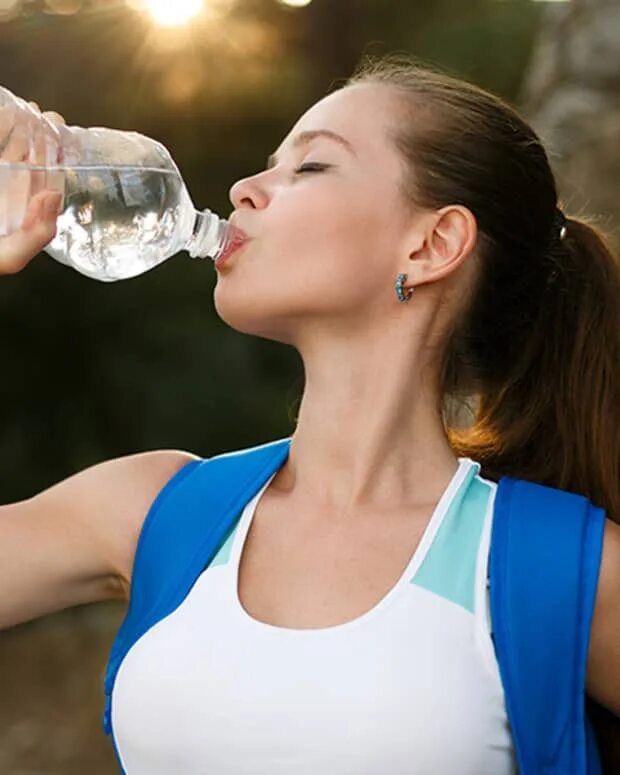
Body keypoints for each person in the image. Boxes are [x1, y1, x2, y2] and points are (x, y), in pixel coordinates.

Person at [1, 55, 619, 774]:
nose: (243, 190)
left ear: (431, 244)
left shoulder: (554, 565)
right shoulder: (156, 512)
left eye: (311, 166)